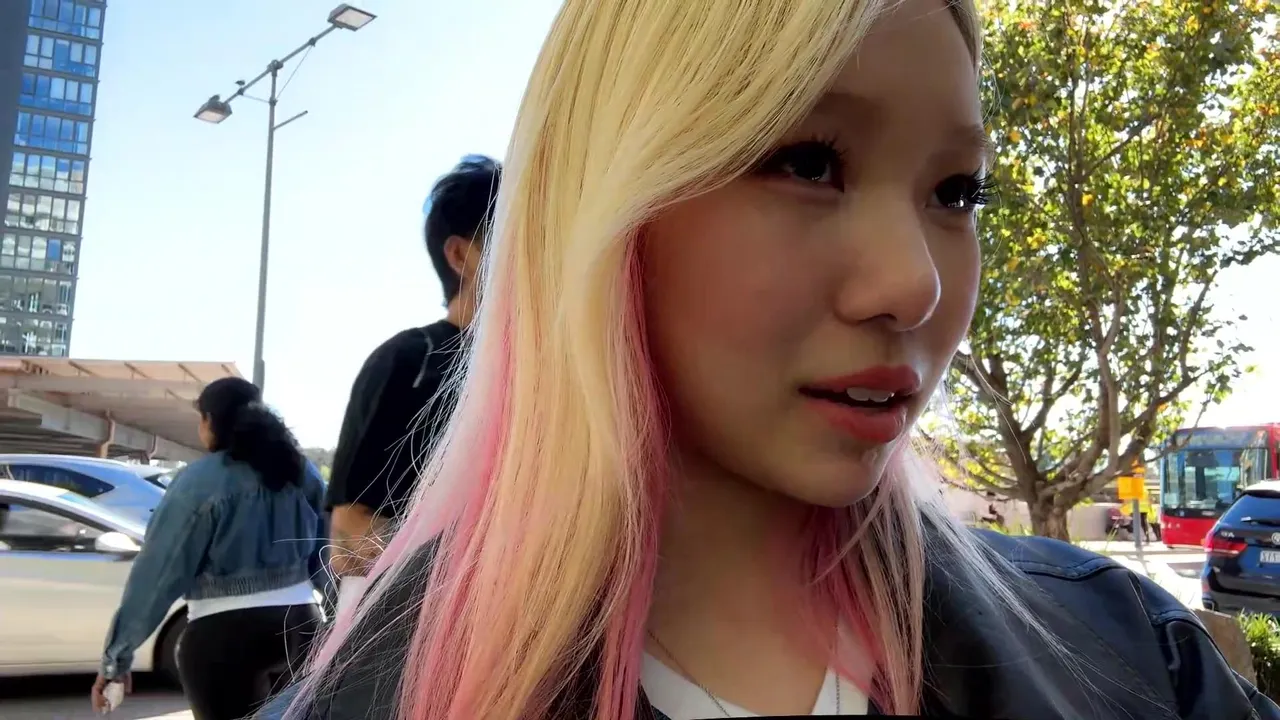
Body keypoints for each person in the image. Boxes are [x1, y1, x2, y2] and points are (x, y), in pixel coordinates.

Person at [265, 1, 1277, 719]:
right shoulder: (365, 695)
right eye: (806, 161)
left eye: (956, 191)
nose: (914, 283)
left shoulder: (1137, 659)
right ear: (604, 209)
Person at [92, 377, 330, 720]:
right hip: (302, 625)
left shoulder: (199, 480)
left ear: (210, 421)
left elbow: (157, 575)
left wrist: (116, 659)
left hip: (225, 636)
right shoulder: (300, 470)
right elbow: (330, 555)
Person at [324, 154, 501, 611]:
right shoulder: (409, 361)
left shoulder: (549, 368)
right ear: (460, 255)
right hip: (418, 626)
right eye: (515, 233)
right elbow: (351, 533)